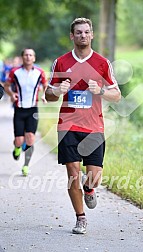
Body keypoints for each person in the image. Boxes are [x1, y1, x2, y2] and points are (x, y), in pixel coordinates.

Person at [45, 17, 121, 234]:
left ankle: (89, 189)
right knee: (73, 173)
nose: (83, 36)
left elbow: (117, 95)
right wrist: (57, 91)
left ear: (92, 35)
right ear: (72, 36)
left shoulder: (102, 63)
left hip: (94, 127)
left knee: (94, 175)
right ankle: (80, 218)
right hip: (67, 125)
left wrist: (101, 91)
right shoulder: (61, 62)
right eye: (78, 32)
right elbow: (48, 95)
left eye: (86, 32)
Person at [4, 48, 48, 176]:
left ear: (34, 58)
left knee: (30, 139)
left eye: (31, 55)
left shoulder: (39, 72)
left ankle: (26, 166)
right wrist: (12, 95)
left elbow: (45, 85)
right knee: (19, 140)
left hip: (33, 109)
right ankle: (17, 148)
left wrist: (44, 95)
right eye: (26, 55)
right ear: (22, 57)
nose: (28, 57)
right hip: (19, 109)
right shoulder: (15, 72)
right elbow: (6, 86)